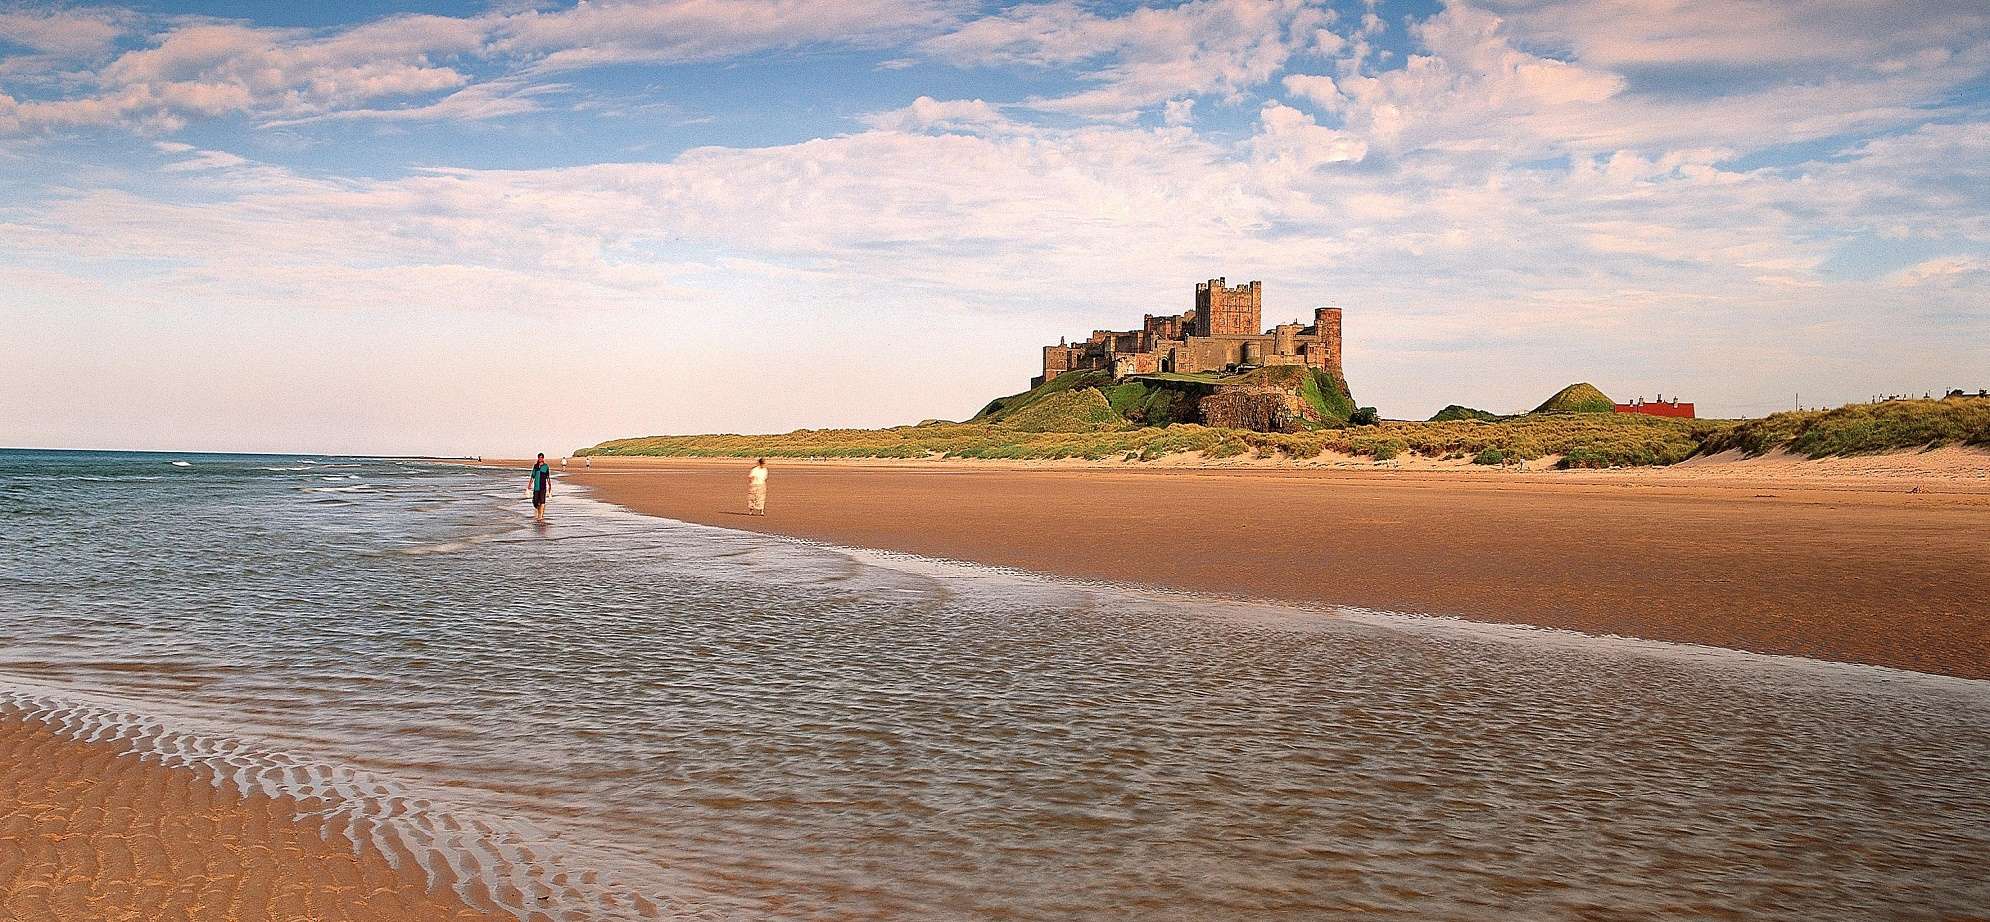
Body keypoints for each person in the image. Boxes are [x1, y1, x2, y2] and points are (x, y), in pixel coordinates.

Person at [529, 453, 552, 521]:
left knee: (542, 501)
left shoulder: (545, 466)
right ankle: (538, 511)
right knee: (535, 502)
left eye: (541, 457)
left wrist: (550, 485)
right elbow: (532, 476)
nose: (540, 459)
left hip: (543, 487)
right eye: (539, 457)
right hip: (536, 487)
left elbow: (547, 476)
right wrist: (529, 485)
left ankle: (541, 516)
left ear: (543, 458)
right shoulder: (535, 466)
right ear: (538, 458)